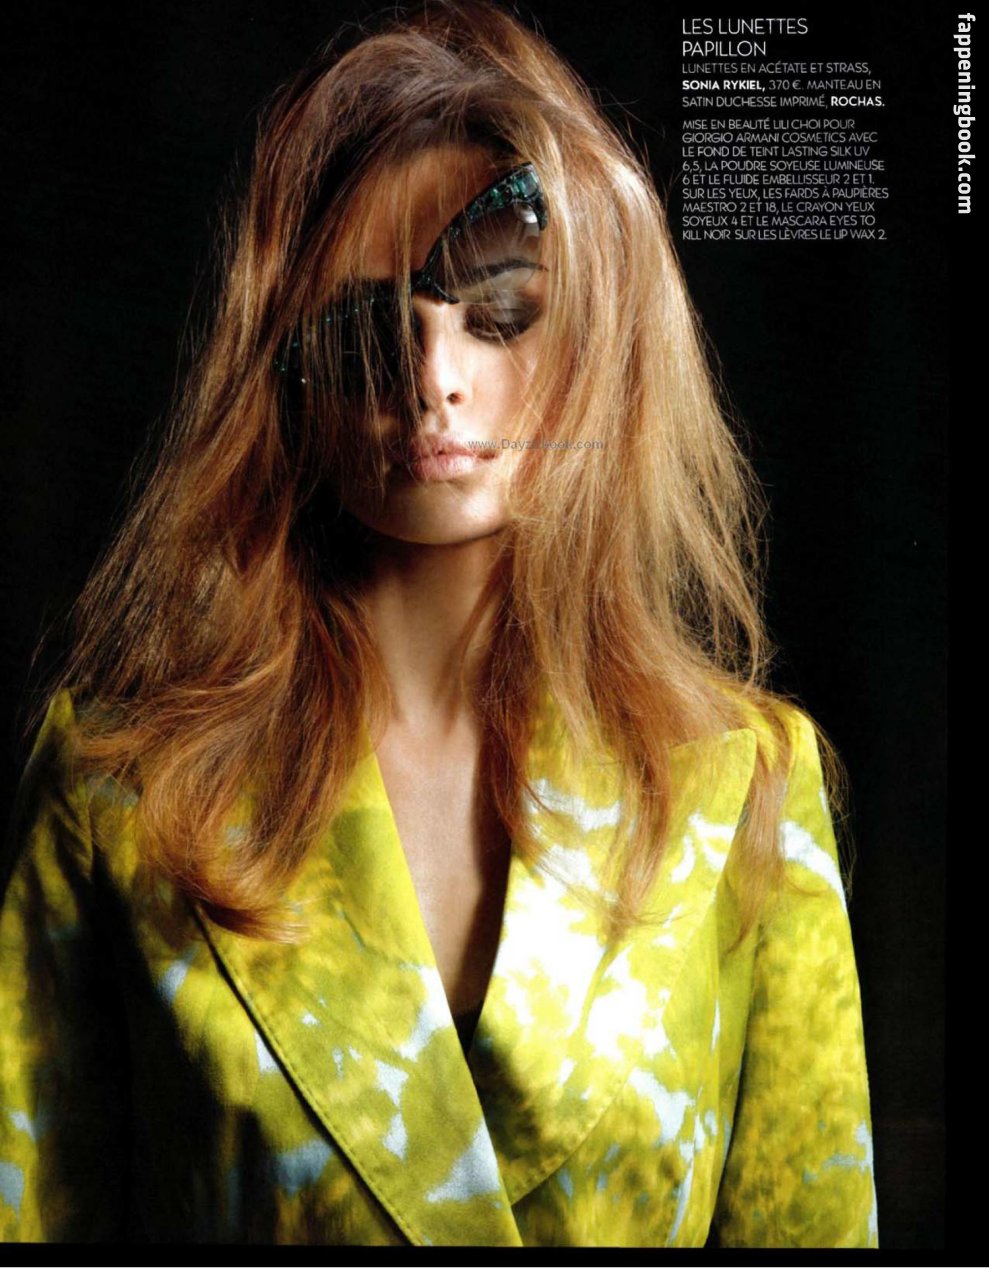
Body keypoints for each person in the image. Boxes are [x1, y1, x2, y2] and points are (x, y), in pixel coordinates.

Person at [0, 0, 878, 1248]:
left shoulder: (739, 783)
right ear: (283, 364)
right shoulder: (121, 788)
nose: (430, 378)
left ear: (600, 341)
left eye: (499, 310)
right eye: (365, 321)